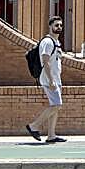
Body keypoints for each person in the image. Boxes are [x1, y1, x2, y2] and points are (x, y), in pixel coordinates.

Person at [26, 16, 66, 144]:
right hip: (49, 79)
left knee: (55, 106)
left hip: (55, 78)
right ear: (50, 26)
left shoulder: (56, 42)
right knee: (57, 105)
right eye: (56, 25)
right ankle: (34, 126)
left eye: (60, 25)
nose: (59, 27)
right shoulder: (48, 42)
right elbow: (45, 60)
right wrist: (51, 80)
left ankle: (51, 135)